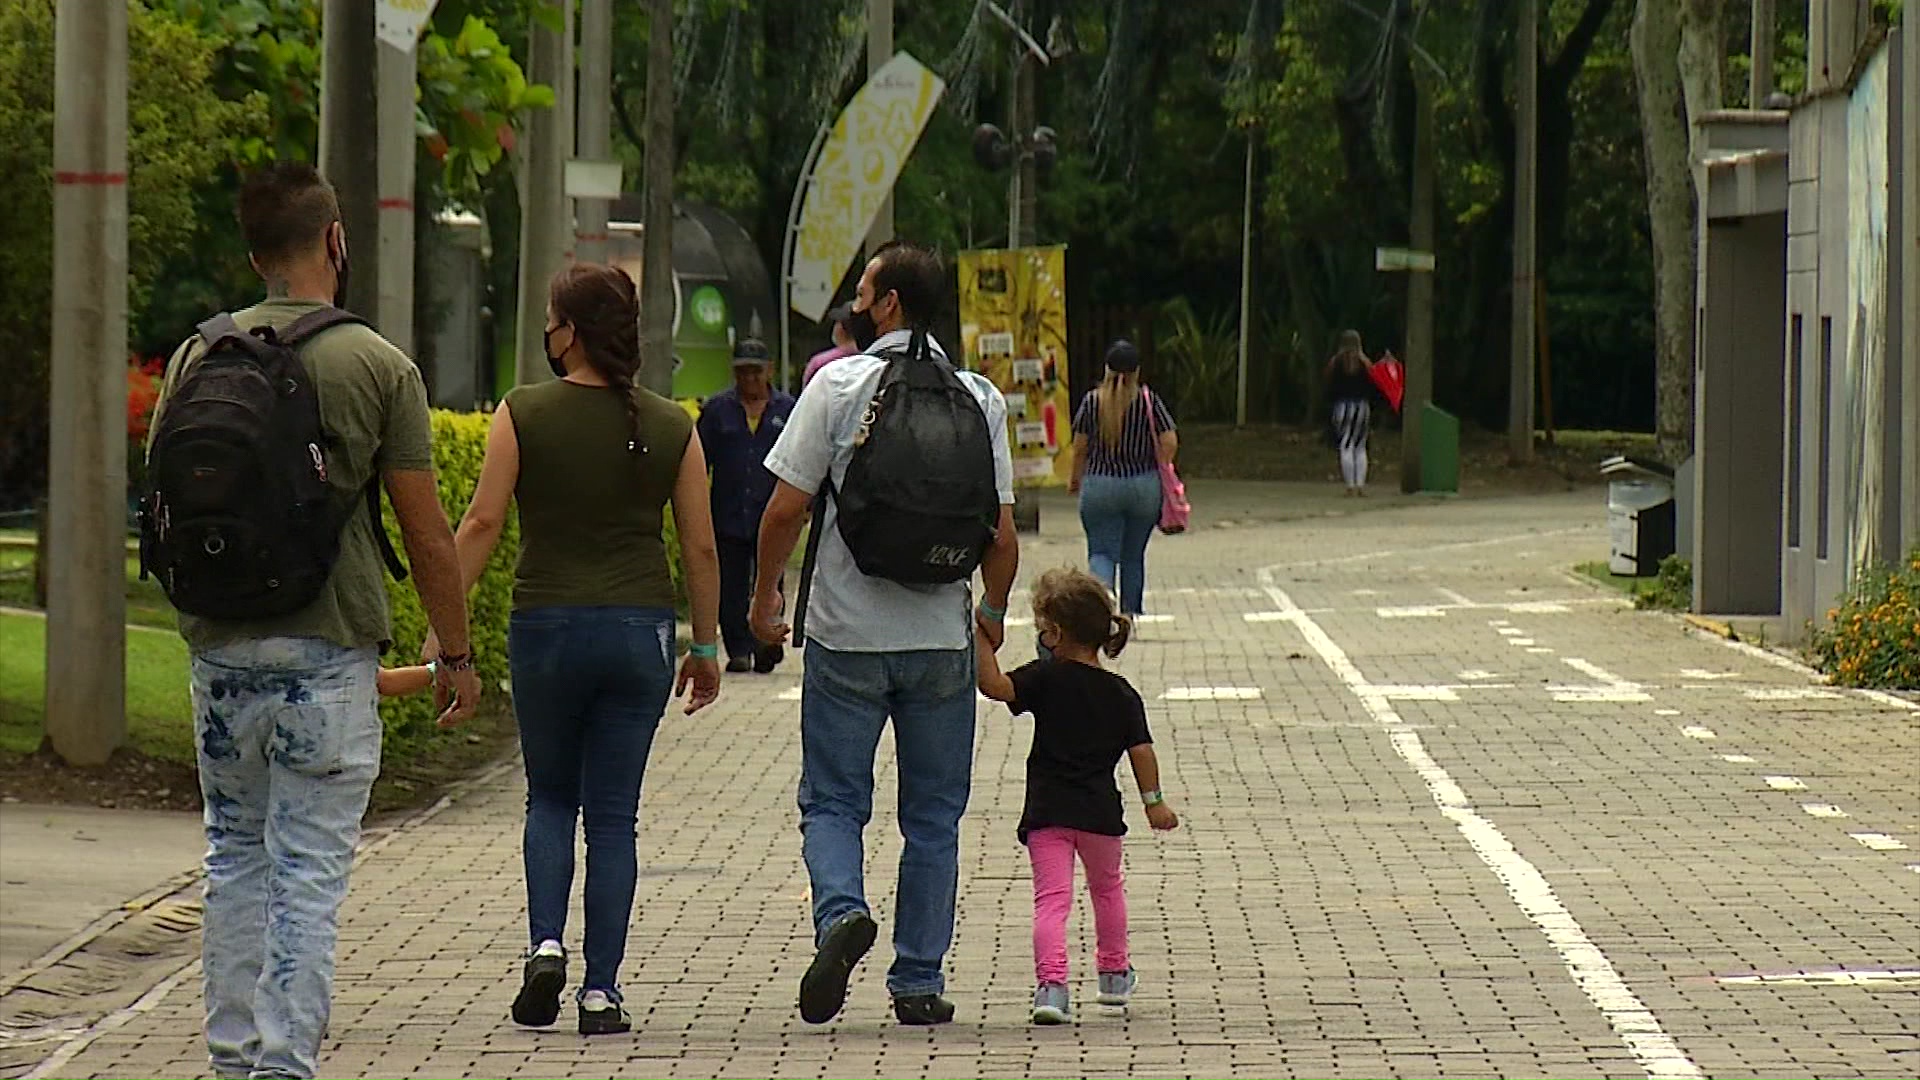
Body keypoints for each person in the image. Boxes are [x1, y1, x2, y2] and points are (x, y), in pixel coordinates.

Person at [146, 162, 480, 1080]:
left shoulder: (193, 357)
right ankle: (284, 1065)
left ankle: (230, 1057)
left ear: (256, 255)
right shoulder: (376, 365)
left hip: (219, 655)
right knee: (306, 873)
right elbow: (426, 530)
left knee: (233, 859)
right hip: (327, 661)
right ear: (335, 241)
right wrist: (454, 653)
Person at [432, 262, 723, 1036]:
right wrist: (707, 645)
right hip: (639, 634)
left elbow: (482, 525)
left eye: (552, 322)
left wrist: (443, 625)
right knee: (616, 819)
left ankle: (545, 946)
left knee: (551, 798)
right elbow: (699, 548)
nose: (547, 336)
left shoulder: (521, 412)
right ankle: (602, 992)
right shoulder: (672, 425)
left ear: (569, 331)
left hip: (546, 628)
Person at [751, 241, 1019, 1027]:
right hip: (940, 637)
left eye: (865, 288)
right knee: (933, 817)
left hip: (843, 635)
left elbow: (782, 511)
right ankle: (919, 982)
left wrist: (765, 597)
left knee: (834, 801)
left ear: (891, 302)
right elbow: (1001, 538)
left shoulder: (836, 386)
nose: (856, 300)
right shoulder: (980, 397)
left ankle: (840, 915)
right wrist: (991, 619)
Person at [975, 567, 1178, 1025]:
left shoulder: (1044, 678)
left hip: (1048, 813)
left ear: (1056, 633)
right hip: (1100, 814)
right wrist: (1154, 802)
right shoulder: (1121, 693)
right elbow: (1141, 751)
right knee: (1108, 891)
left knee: (1052, 900)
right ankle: (1113, 975)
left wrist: (981, 642)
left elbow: (994, 686)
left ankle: (1052, 987)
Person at [697, 338, 796, 673]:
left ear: (769, 371)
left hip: (773, 514)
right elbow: (699, 463)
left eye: (756, 371)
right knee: (732, 585)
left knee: (771, 580)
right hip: (728, 513)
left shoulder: (788, 410)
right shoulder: (717, 410)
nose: (750, 379)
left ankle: (767, 641)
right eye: (743, 372)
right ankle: (738, 648)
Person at [1068, 340, 1177, 618]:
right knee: (1133, 555)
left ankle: (1102, 610)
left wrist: (1074, 480)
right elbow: (1169, 440)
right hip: (1144, 486)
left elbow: (1079, 447)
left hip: (1100, 485)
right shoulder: (1149, 401)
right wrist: (1159, 465)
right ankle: (1129, 615)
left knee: (1102, 553)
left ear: (1107, 369)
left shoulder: (1092, 402)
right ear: (1137, 371)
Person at [1324, 330, 1376, 496]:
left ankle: (1350, 485)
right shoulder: (1365, 363)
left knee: (1346, 444)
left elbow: (1327, 382)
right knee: (1360, 446)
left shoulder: (1335, 362)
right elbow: (1375, 382)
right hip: (1362, 407)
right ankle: (1360, 485)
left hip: (1342, 406)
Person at [802, 303, 857, 388]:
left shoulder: (820, 363)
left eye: (836, 322)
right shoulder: (875, 356)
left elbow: (806, 397)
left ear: (840, 327)